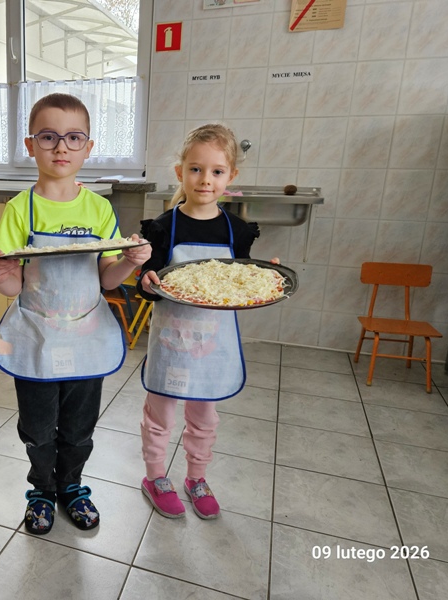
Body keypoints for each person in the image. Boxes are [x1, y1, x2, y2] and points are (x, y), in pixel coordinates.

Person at [0, 93, 151, 535]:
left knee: (79, 427)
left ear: (88, 147)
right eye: (48, 137)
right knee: (38, 428)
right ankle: (41, 489)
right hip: (35, 336)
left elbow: (107, 278)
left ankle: (72, 486)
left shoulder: (99, 208)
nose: (61, 147)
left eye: (74, 137)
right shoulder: (20, 208)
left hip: (86, 336)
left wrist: (130, 261)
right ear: (30, 144)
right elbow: (13, 285)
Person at [137, 124, 274, 520]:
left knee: (204, 417)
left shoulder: (236, 230)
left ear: (231, 176)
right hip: (172, 344)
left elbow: (241, 282)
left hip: (213, 345)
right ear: (180, 172)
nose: (205, 180)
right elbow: (149, 283)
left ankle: (196, 478)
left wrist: (264, 277)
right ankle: (155, 477)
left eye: (216, 171)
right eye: (195, 169)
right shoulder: (164, 227)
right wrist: (146, 280)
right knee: (160, 415)